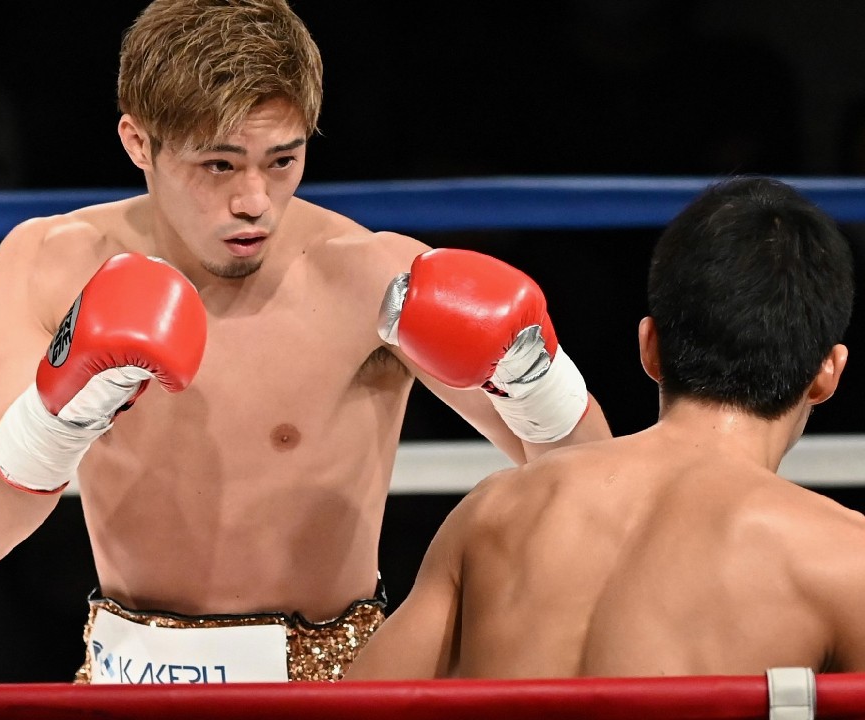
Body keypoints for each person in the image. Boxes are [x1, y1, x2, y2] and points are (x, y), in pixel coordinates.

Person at [0, 0, 611, 684]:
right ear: (139, 142)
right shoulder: (51, 265)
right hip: (124, 684)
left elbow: (591, 481)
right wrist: (66, 408)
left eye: (283, 160)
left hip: (331, 690)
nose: (255, 201)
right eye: (219, 165)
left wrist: (532, 375)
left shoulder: (371, 279)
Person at [346, 176, 865, 680]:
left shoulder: (493, 510)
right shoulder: (840, 559)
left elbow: (360, 705)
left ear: (649, 347)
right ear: (828, 374)